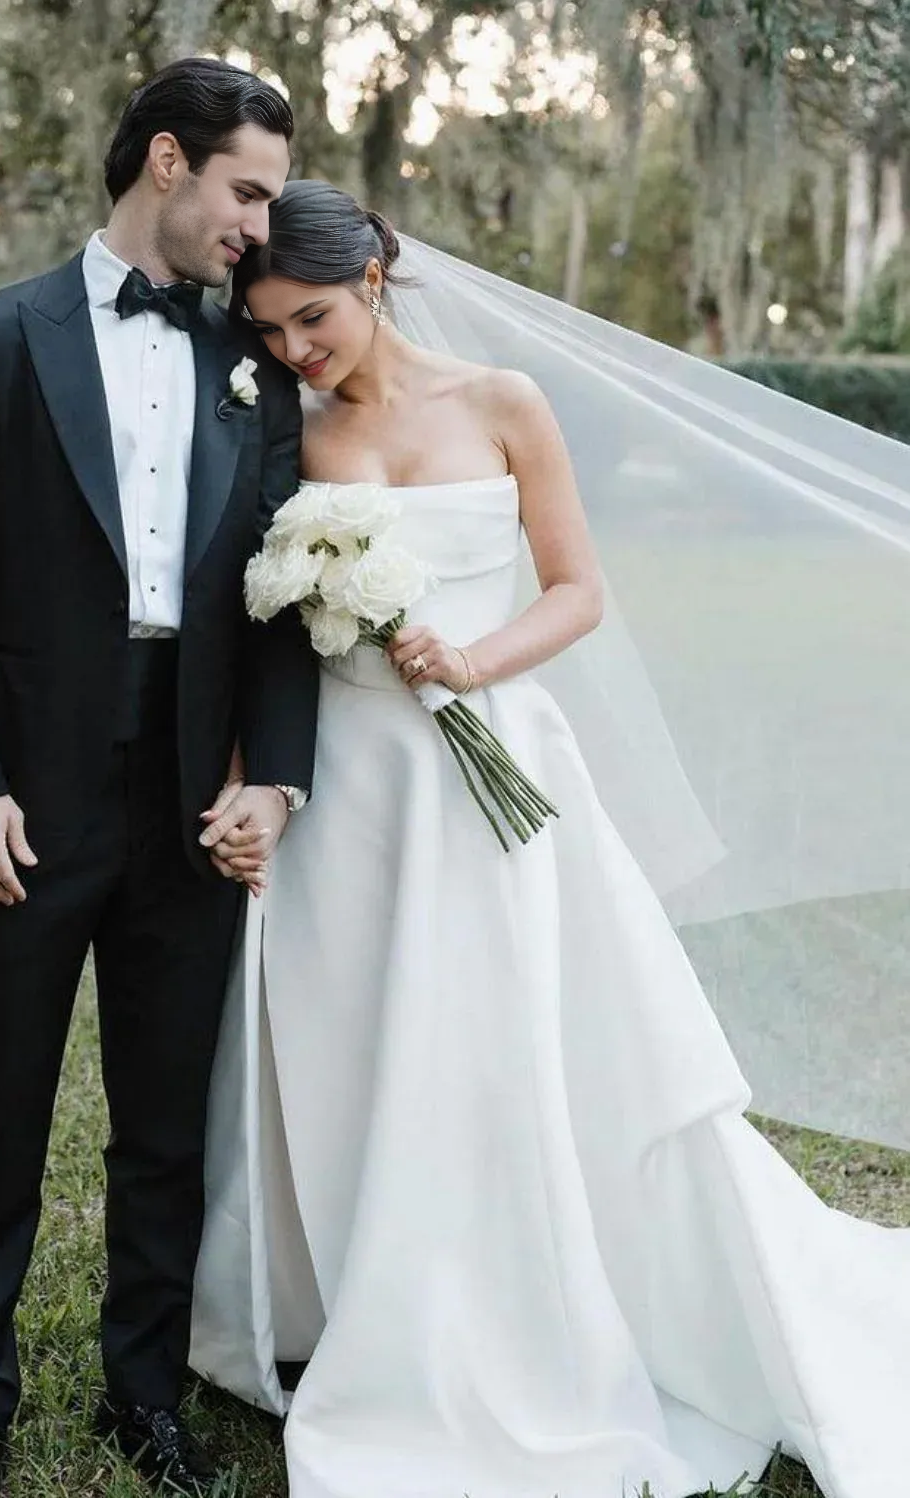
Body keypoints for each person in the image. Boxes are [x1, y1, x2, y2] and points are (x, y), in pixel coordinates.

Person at [189, 179, 910, 1498]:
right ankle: (364, 1295)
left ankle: (549, 1303)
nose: (297, 348)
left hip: (493, 760)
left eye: (313, 318)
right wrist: (258, 787)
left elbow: (577, 590)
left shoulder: (504, 401)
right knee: (362, 1036)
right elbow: (254, 636)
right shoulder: (280, 428)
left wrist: (470, 658)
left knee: (511, 1033)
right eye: (274, 331)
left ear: (377, 270)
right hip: (350, 786)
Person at [0, 60, 318, 1497]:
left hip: (193, 798)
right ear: (166, 162)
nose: (259, 227)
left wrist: (271, 779)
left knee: (164, 1116)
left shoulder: (253, 364)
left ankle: (145, 1393)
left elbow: (282, 594)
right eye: (245, 189)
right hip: (27, 791)